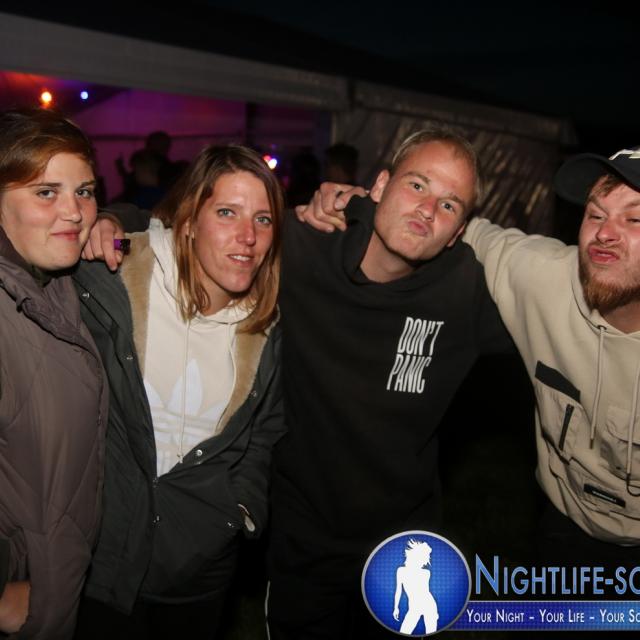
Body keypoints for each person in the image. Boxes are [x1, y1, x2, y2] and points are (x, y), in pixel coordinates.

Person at [302, 144, 640, 582]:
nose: (605, 233)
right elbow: (460, 224)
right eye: (595, 214)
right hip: (564, 530)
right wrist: (362, 202)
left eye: (634, 219)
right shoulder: (542, 276)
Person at [266, 127, 512, 639]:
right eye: (417, 185)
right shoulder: (303, 246)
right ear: (379, 186)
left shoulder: (465, 291)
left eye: (449, 204)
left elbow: (571, 314)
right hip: (303, 532)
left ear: (458, 231)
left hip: (406, 539)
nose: (427, 209)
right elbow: (189, 233)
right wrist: (111, 227)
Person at [72, 144, 285, 639]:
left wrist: (240, 511)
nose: (248, 237)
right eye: (227, 212)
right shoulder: (114, 276)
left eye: (263, 219)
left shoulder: (269, 327)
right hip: (96, 559)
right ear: (188, 221)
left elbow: (265, 433)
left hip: (198, 572)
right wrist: (108, 217)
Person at [0, 108, 108, 639]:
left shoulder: (54, 282)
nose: (74, 212)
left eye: (84, 192)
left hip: (56, 586)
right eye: (46, 192)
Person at [393, 539, 438, 635]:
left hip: (429, 605)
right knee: (404, 632)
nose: (426, 560)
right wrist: (396, 607)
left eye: (426, 557)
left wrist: (434, 613)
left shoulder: (426, 573)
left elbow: (425, 592)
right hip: (414, 608)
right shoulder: (401, 571)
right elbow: (398, 590)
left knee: (431, 633)